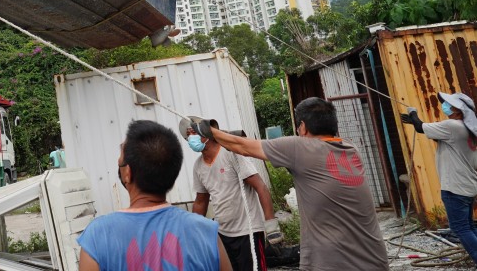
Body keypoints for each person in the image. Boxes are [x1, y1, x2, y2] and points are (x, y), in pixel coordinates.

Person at [193, 97, 388, 271]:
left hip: (332, 261)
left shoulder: (299, 147)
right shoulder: (350, 148)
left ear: (303, 127)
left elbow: (242, 146)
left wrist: (209, 131)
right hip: (375, 258)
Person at [78, 120, 233, 271]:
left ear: (127, 172)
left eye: (120, 157)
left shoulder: (97, 236)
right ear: (172, 176)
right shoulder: (207, 233)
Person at [187, 119, 278, 271]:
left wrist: (271, 225)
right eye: (188, 135)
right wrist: (193, 233)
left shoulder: (230, 154)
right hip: (223, 233)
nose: (190, 139)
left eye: (194, 133)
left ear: (207, 134)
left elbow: (260, 187)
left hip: (248, 232)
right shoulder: (198, 166)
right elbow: (200, 202)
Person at [401, 91, 477, 263]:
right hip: (468, 185)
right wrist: (415, 121)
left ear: (459, 110)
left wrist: (413, 114)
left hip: (455, 187)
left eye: (450, 104)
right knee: (469, 226)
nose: (445, 106)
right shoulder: (469, 129)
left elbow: (421, 127)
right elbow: (444, 140)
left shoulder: (453, 126)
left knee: (460, 228)